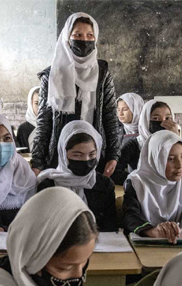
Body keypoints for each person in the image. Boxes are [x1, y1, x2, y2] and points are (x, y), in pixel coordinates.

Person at [31, 12, 121, 178]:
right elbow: (44, 122)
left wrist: (113, 156)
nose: (84, 40)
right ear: (67, 38)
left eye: (89, 35)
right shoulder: (52, 76)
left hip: (93, 156)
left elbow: (110, 117)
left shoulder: (102, 74)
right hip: (59, 156)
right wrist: (37, 162)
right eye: (78, 35)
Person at [122, 130, 182, 245]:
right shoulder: (136, 183)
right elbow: (130, 215)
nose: (179, 165)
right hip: (146, 244)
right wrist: (152, 231)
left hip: (181, 242)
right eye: (170, 159)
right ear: (156, 159)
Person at [37, 120, 118, 231]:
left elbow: (110, 226)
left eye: (92, 154)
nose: (86, 160)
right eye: (77, 155)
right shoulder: (48, 186)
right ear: (63, 154)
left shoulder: (104, 185)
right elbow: (43, 227)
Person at [112, 100, 181, 185]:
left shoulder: (176, 145)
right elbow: (114, 173)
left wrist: (175, 141)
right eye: (155, 118)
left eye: (167, 118)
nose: (163, 123)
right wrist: (141, 181)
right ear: (145, 121)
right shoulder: (133, 145)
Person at [16, 86, 41, 154]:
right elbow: (22, 154)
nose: (40, 107)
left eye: (43, 103)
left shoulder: (52, 125)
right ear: (31, 104)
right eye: (37, 103)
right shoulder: (23, 129)